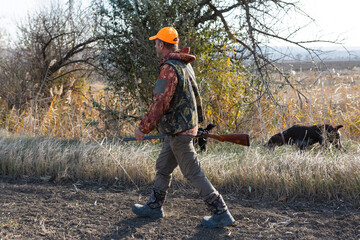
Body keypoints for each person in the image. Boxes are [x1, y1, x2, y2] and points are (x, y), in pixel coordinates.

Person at [132, 26, 235, 228]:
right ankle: (154, 206)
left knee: (193, 172)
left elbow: (160, 102)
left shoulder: (169, 69)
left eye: (156, 42)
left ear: (161, 44)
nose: (155, 45)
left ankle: (221, 211)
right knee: (163, 167)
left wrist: (143, 129)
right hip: (179, 129)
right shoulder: (184, 65)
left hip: (179, 132)